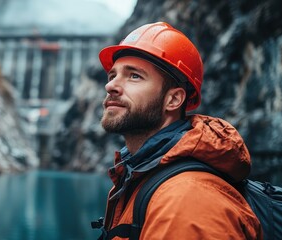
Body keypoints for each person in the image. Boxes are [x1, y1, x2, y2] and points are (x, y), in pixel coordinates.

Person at [97, 22, 262, 239]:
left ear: (173, 99)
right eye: (112, 76)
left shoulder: (187, 200)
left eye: (134, 76)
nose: (111, 86)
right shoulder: (139, 174)